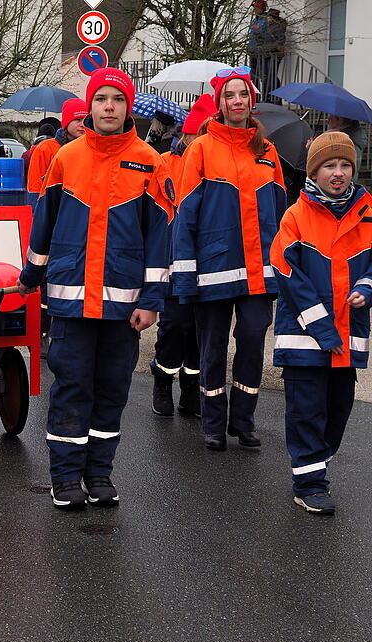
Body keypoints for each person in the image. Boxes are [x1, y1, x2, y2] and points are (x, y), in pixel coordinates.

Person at [17, 68, 172, 509]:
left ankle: (99, 473)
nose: (109, 106)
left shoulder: (149, 161)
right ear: (89, 106)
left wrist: (152, 301)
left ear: (128, 108)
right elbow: (43, 226)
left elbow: (160, 239)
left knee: (111, 391)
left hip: (123, 307)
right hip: (69, 303)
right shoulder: (66, 158)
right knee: (70, 389)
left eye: (117, 100)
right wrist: (30, 278)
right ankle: (65, 478)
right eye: (101, 98)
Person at [172, 66, 286, 451]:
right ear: (219, 103)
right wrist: (185, 277)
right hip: (214, 269)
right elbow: (185, 215)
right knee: (213, 347)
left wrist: (284, 268)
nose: (236, 101)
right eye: (229, 95)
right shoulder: (201, 148)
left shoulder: (268, 152)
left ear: (250, 100)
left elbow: (283, 217)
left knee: (253, 340)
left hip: (260, 272)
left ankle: (244, 420)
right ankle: (213, 421)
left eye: (242, 94)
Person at [271, 132, 372, 514]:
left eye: (345, 165)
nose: (338, 173)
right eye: (329, 165)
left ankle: (314, 461)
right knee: (306, 411)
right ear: (315, 171)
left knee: (338, 410)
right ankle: (309, 483)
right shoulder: (296, 214)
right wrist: (324, 330)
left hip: (349, 338)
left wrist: (367, 287)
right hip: (305, 337)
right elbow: (287, 273)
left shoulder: (367, 209)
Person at [149, 93, 217, 418]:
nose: (201, 141)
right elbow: (158, 209)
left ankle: (191, 385)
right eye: (197, 134)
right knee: (174, 326)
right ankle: (162, 378)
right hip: (174, 261)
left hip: (210, 263)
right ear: (187, 134)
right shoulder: (167, 163)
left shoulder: (219, 166)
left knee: (200, 330)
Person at [26, 98, 87, 199]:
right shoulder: (45, 148)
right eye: (77, 120)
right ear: (66, 122)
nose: (82, 125)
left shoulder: (92, 148)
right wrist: (36, 212)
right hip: (53, 207)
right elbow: (34, 185)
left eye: (85, 120)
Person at [248, 0, 270, 90]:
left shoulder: (266, 19)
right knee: (253, 75)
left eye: (256, 8)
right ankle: (255, 94)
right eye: (254, 8)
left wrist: (258, 31)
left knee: (262, 75)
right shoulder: (255, 19)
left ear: (262, 8)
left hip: (261, 51)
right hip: (252, 50)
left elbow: (266, 35)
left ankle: (264, 95)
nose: (255, 10)